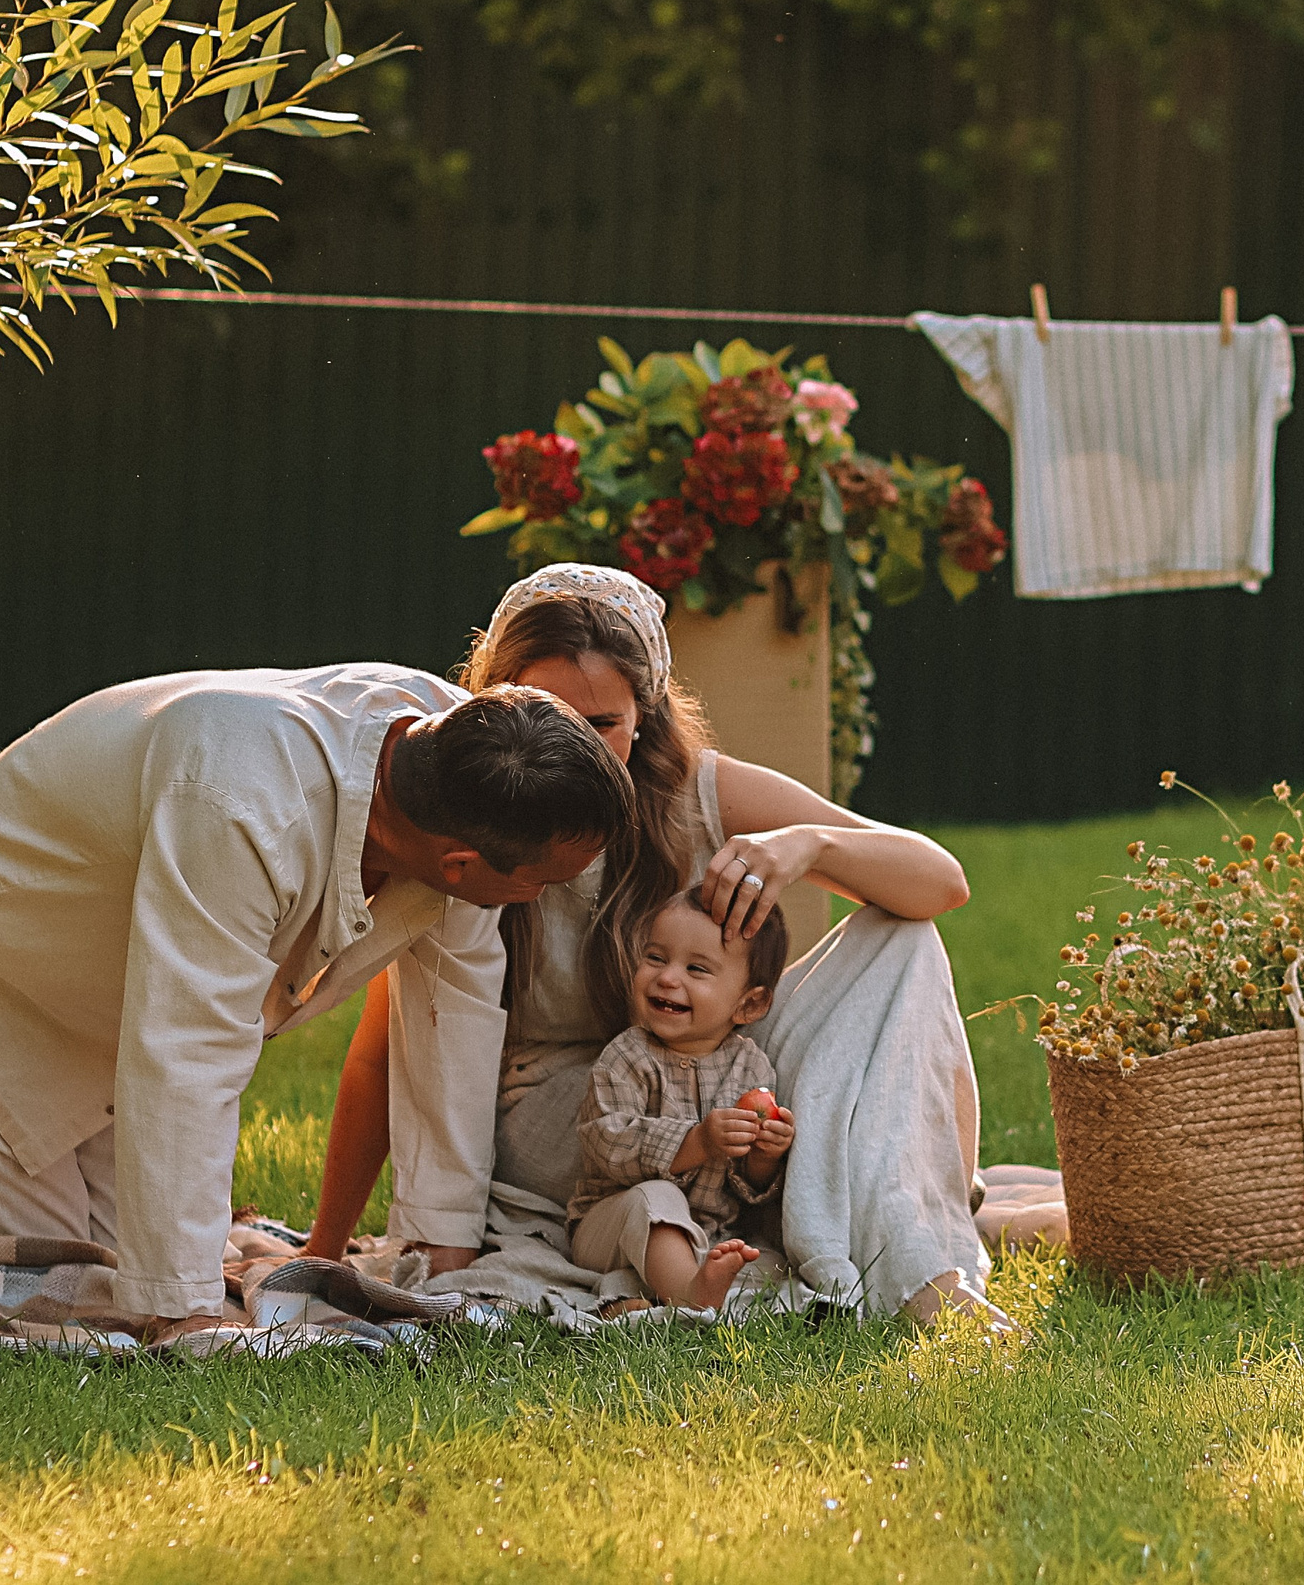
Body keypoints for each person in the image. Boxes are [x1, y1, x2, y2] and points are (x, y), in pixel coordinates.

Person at [0, 666, 631, 1343]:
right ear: (459, 866)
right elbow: (189, 1053)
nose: (540, 900)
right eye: (542, 883)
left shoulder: (467, 763)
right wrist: (186, 1310)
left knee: (113, 1262)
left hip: (130, 981)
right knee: (42, 1290)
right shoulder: (244, 803)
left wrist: (442, 1240)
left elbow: (459, 1008)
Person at [303, 565, 1002, 1324]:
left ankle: (917, 1260)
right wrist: (324, 1246)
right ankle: (817, 1230)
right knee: (683, 1180)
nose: (576, 749)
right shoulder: (463, 816)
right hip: (578, 1120)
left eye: (602, 723)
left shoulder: (697, 790)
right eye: (547, 714)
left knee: (901, 939)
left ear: (646, 713)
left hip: (718, 1070)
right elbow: (389, 1048)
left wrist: (809, 845)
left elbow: (942, 881)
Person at [567, 890, 795, 1311]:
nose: (668, 978)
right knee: (656, 1199)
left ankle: (641, 1299)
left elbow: (746, 1185)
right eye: (655, 958)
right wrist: (698, 1141)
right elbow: (607, 1143)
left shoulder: (750, 1068)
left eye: (696, 968)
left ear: (750, 1004)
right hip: (614, 1224)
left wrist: (765, 1156)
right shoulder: (626, 1057)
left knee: (773, 1265)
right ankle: (691, 1300)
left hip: (709, 1232)